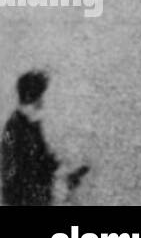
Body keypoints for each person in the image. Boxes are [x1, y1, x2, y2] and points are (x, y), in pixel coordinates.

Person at [1, 71, 81, 206]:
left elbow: (42, 155)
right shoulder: (15, 131)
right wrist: (53, 190)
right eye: (39, 101)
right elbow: (19, 178)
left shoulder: (30, 123)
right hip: (22, 199)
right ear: (28, 99)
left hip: (35, 192)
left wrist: (60, 167)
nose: (42, 105)